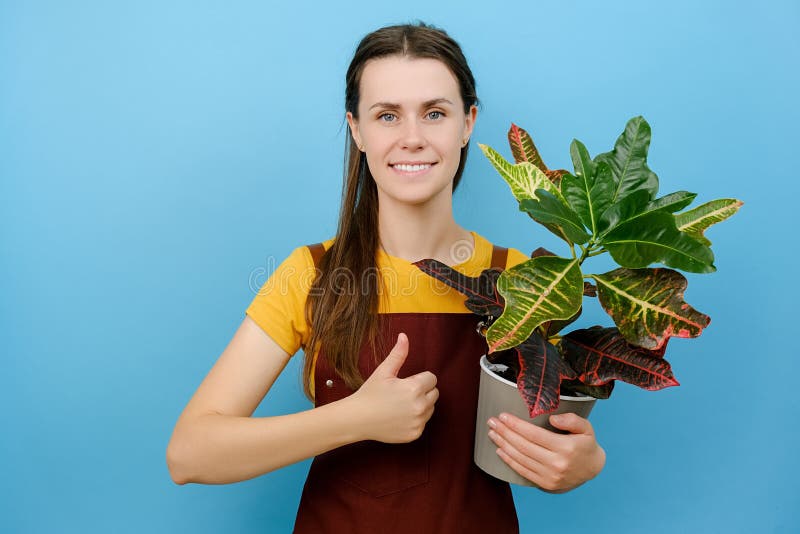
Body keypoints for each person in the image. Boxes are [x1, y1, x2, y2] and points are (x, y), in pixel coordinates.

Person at [166, 22, 605, 533]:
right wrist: (355, 418)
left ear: (468, 123)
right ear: (356, 129)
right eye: (387, 115)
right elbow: (190, 454)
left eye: (435, 113)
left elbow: (558, 429)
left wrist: (584, 463)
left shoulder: (527, 282)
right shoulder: (310, 275)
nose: (412, 138)